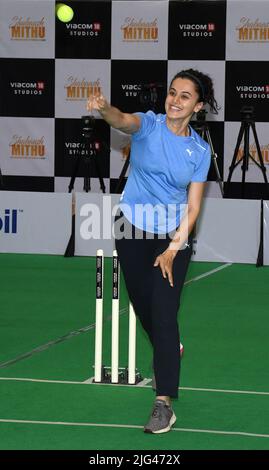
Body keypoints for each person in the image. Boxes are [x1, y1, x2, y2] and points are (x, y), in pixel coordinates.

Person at [87, 69, 219, 434]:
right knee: (145, 308)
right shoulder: (149, 125)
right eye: (172, 93)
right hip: (131, 228)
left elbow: (193, 208)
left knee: (163, 311)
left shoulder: (199, 151)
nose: (175, 101)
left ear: (198, 105)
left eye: (185, 96)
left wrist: (173, 249)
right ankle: (169, 345)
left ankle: (163, 402)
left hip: (173, 236)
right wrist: (104, 109)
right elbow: (123, 121)